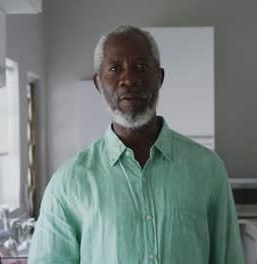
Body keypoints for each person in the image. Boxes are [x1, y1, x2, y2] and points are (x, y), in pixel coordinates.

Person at [29, 25, 245, 264]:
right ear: (99, 83)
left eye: (141, 67)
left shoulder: (207, 169)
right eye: (115, 69)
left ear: (159, 77)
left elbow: (228, 258)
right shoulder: (68, 183)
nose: (129, 79)